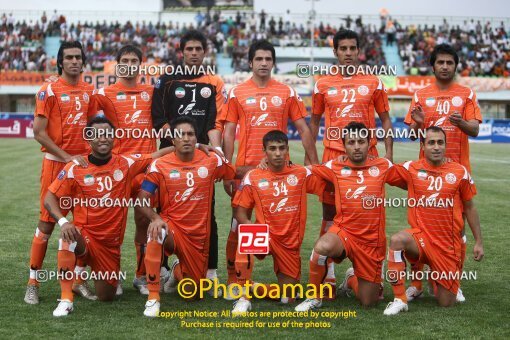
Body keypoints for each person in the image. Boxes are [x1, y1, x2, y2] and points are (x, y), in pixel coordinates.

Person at [43, 116, 174, 316]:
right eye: (96, 134)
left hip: (110, 247)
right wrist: (62, 222)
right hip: (84, 236)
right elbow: (49, 198)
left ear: (114, 138)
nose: (102, 138)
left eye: (107, 134)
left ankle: (81, 277)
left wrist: (196, 145)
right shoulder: (75, 167)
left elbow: (157, 154)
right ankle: (66, 299)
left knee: (106, 297)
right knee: (67, 236)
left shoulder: (126, 163)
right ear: (89, 139)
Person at [222, 40, 318, 298]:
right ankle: (236, 281)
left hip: (278, 170)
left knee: (281, 222)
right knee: (237, 224)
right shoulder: (236, 92)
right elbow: (229, 131)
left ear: (273, 63)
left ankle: (279, 272)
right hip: (245, 171)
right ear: (250, 62)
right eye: (259, 59)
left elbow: (303, 128)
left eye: (268, 59)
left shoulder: (287, 92)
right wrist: (228, 169)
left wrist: (313, 162)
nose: (263, 63)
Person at [309, 29, 393, 292]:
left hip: (367, 157)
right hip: (333, 155)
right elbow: (313, 124)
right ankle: (330, 271)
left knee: (368, 213)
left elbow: (386, 120)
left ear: (358, 51)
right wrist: (312, 160)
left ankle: (364, 269)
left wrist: (389, 156)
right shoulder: (322, 83)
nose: (347, 53)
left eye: (352, 48)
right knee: (329, 214)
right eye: (342, 48)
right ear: (335, 52)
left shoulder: (374, 82)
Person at [295, 122, 404, 311]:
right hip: (344, 233)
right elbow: (305, 170)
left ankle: (351, 278)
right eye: (351, 142)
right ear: (343, 145)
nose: (356, 146)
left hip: (372, 242)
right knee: (322, 247)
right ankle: (314, 296)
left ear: (369, 143)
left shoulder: (383, 165)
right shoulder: (334, 166)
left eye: (361, 141)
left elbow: (411, 180)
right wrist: (267, 166)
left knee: (368, 301)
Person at [404, 43, 482, 302]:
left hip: (456, 175)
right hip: (424, 176)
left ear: (455, 66)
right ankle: (416, 284)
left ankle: (452, 281)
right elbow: (413, 135)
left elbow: (475, 130)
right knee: (420, 227)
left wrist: (462, 123)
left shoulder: (466, 94)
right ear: (433, 65)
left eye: (450, 63)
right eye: (441, 62)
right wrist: (417, 123)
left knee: (456, 230)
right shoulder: (420, 95)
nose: (445, 67)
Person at [150, 30, 226, 290]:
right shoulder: (166, 80)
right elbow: (159, 120)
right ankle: (161, 270)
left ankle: (212, 271)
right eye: (189, 49)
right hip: (170, 159)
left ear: (205, 52)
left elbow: (216, 122)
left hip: (201, 158)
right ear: (182, 52)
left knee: (208, 214)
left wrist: (216, 151)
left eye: (198, 49)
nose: (194, 53)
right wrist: (176, 145)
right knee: (163, 212)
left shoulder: (215, 82)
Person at [138, 117, 236, 317]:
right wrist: (155, 218)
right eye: (180, 134)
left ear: (196, 138)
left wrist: (264, 167)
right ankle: (153, 298)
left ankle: (176, 270)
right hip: (171, 227)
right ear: (172, 140)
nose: (185, 138)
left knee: (193, 293)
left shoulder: (212, 159)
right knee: (155, 234)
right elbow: (142, 198)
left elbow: (234, 173)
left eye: (190, 134)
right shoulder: (160, 165)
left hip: (199, 236)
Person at [25, 41, 97, 304]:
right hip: (57, 164)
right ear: (61, 61)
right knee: (46, 225)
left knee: (82, 228)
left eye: (78, 57)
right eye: (69, 57)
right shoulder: (49, 89)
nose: (74, 61)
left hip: (83, 169)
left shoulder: (90, 90)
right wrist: (68, 158)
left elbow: (93, 127)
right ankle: (33, 282)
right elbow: (38, 132)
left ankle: (78, 281)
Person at [383, 127, 484, 315]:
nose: (436, 147)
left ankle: (438, 279)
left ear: (446, 145)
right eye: (431, 143)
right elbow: (384, 170)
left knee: (446, 303)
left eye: (440, 142)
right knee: (397, 240)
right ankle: (400, 299)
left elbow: (470, 207)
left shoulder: (459, 172)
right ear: (423, 146)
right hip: (420, 239)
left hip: (447, 245)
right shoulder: (411, 168)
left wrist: (478, 241)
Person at [231, 130, 325, 312]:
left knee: (288, 297)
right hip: (264, 235)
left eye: (282, 148)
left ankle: (253, 287)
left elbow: (327, 182)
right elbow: (240, 213)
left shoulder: (301, 173)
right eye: (272, 149)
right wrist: (250, 228)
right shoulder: (253, 176)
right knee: (247, 236)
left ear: (288, 149)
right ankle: (243, 297)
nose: (277, 153)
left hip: (289, 243)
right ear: (264, 151)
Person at [93, 44, 156, 295]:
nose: (129, 64)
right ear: (117, 64)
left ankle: (141, 277)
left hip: (146, 169)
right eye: (125, 60)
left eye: (134, 60)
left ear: (140, 64)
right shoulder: (104, 93)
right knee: (113, 226)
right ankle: (113, 277)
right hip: (116, 170)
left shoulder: (153, 92)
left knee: (143, 220)